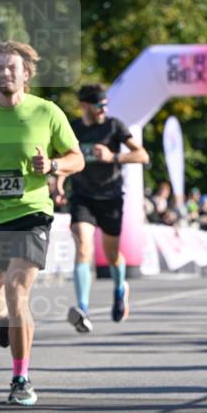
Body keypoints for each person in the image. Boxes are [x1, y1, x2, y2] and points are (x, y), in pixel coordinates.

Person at [0, 41, 83, 405]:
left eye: (12, 67)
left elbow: (77, 157)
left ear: (27, 74)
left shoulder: (47, 112)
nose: (5, 73)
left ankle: (21, 378)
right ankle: (3, 324)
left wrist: (55, 166)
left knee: (17, 293)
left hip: (31, 212)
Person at [65, 83, 149, 333]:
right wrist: (58, 182)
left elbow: (142, 155)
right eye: (98, 105)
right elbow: (63, 158)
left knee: (112, 254)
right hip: (82, 195)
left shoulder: (114, 126)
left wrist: (113, 157)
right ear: (84, 106)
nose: (103, 109)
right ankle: (82, 308)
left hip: (111, 196)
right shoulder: (73, 128)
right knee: (83, 245)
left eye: (105, 105)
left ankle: (120, 287)